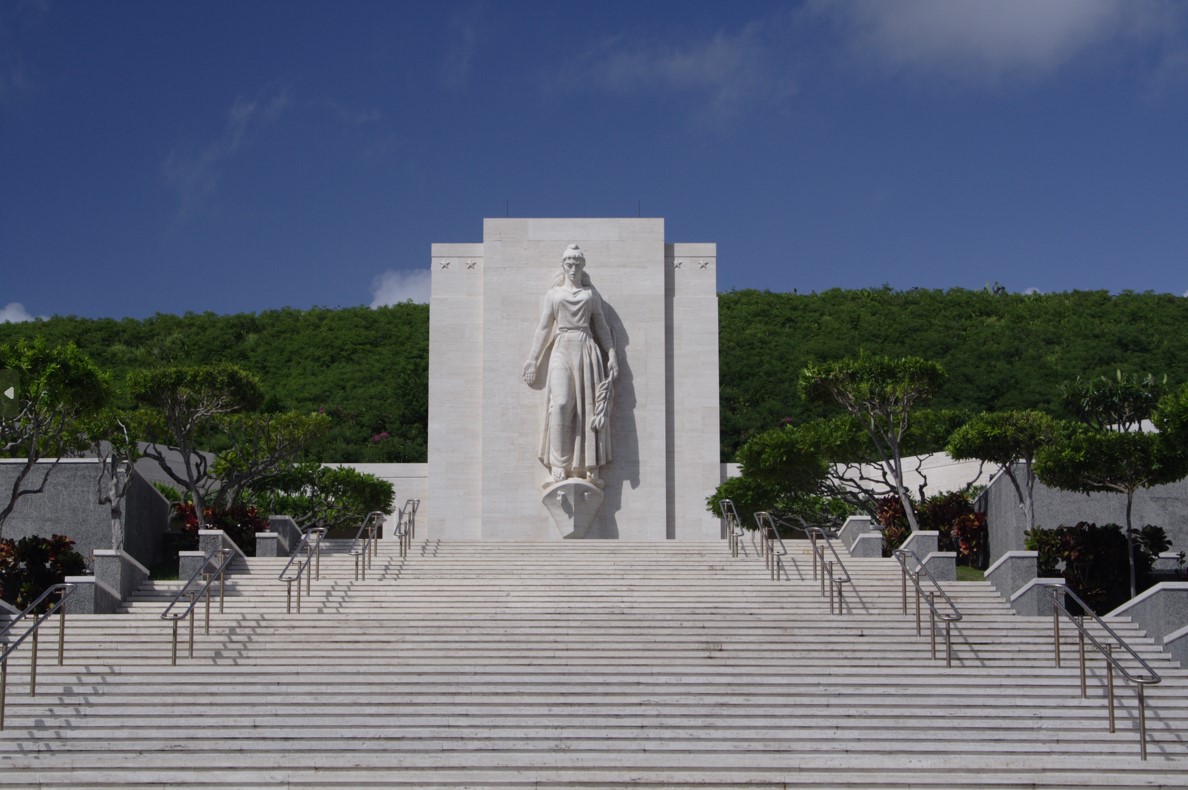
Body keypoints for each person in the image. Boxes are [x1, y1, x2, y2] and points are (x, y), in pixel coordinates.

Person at [522, 244, 618, 487]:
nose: (573, 268)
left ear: (582, 266)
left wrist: (612, 355)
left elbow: (602, 328)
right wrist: (533, 359)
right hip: (562, 346)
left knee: (588, 409)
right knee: (562, 403)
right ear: (563, 266)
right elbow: (544, 328)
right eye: (569, 264)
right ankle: (558, 463)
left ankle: (590, 465)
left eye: (577, 264)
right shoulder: (554, 295)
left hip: (586, 348)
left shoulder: (590, 295)